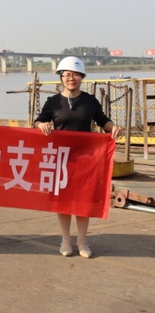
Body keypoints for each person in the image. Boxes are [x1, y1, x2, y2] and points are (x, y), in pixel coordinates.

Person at [33, 56, 119, 258]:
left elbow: (102, 120)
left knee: (83, 200)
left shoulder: (90, 101)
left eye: (75, 75)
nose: (71, 78)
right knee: (63, 200)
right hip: (61, 158)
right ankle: (65, 240)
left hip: (85, 158)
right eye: (67, 75)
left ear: (82, 77)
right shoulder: (53, 102)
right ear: (61, 77)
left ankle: (82, 241)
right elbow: (38, 121)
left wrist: (113, 127)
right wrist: (41, 125)